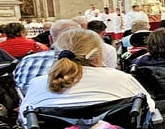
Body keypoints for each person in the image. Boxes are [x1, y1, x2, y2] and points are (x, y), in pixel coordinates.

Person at [19, 28, 156, 122]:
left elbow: (25, 119)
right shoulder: (119, 78)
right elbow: (148, 107)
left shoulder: (38, 84)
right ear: (98, 55)